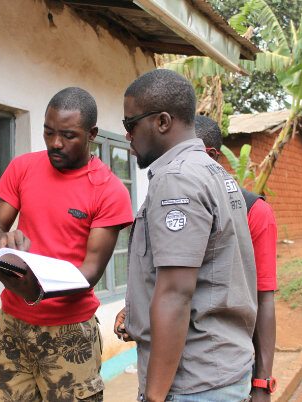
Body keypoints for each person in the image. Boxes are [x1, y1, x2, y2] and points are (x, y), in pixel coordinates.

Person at [114, 69, 257, 402]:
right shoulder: (214, 172)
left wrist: (154, 396)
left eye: (131, 124)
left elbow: (176, 294)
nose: (127, 135)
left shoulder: (176, 180)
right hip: (223, 369)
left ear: (163, 122)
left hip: (193, 382)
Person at [0, 87, 134, 401]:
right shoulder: (23, 167)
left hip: (69, 334)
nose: (55, 142)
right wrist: (3, 245)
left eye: (68, 135)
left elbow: (90, 272)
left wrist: (35, 291)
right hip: (13, 325)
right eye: (48, 131)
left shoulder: (109, 191)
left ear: (92, 134)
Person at [194, 115, 278, 400]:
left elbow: (264, 297)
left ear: (211, 156)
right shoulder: (173, 206)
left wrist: (262, 382)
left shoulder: (254, 211)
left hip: (230, 364)